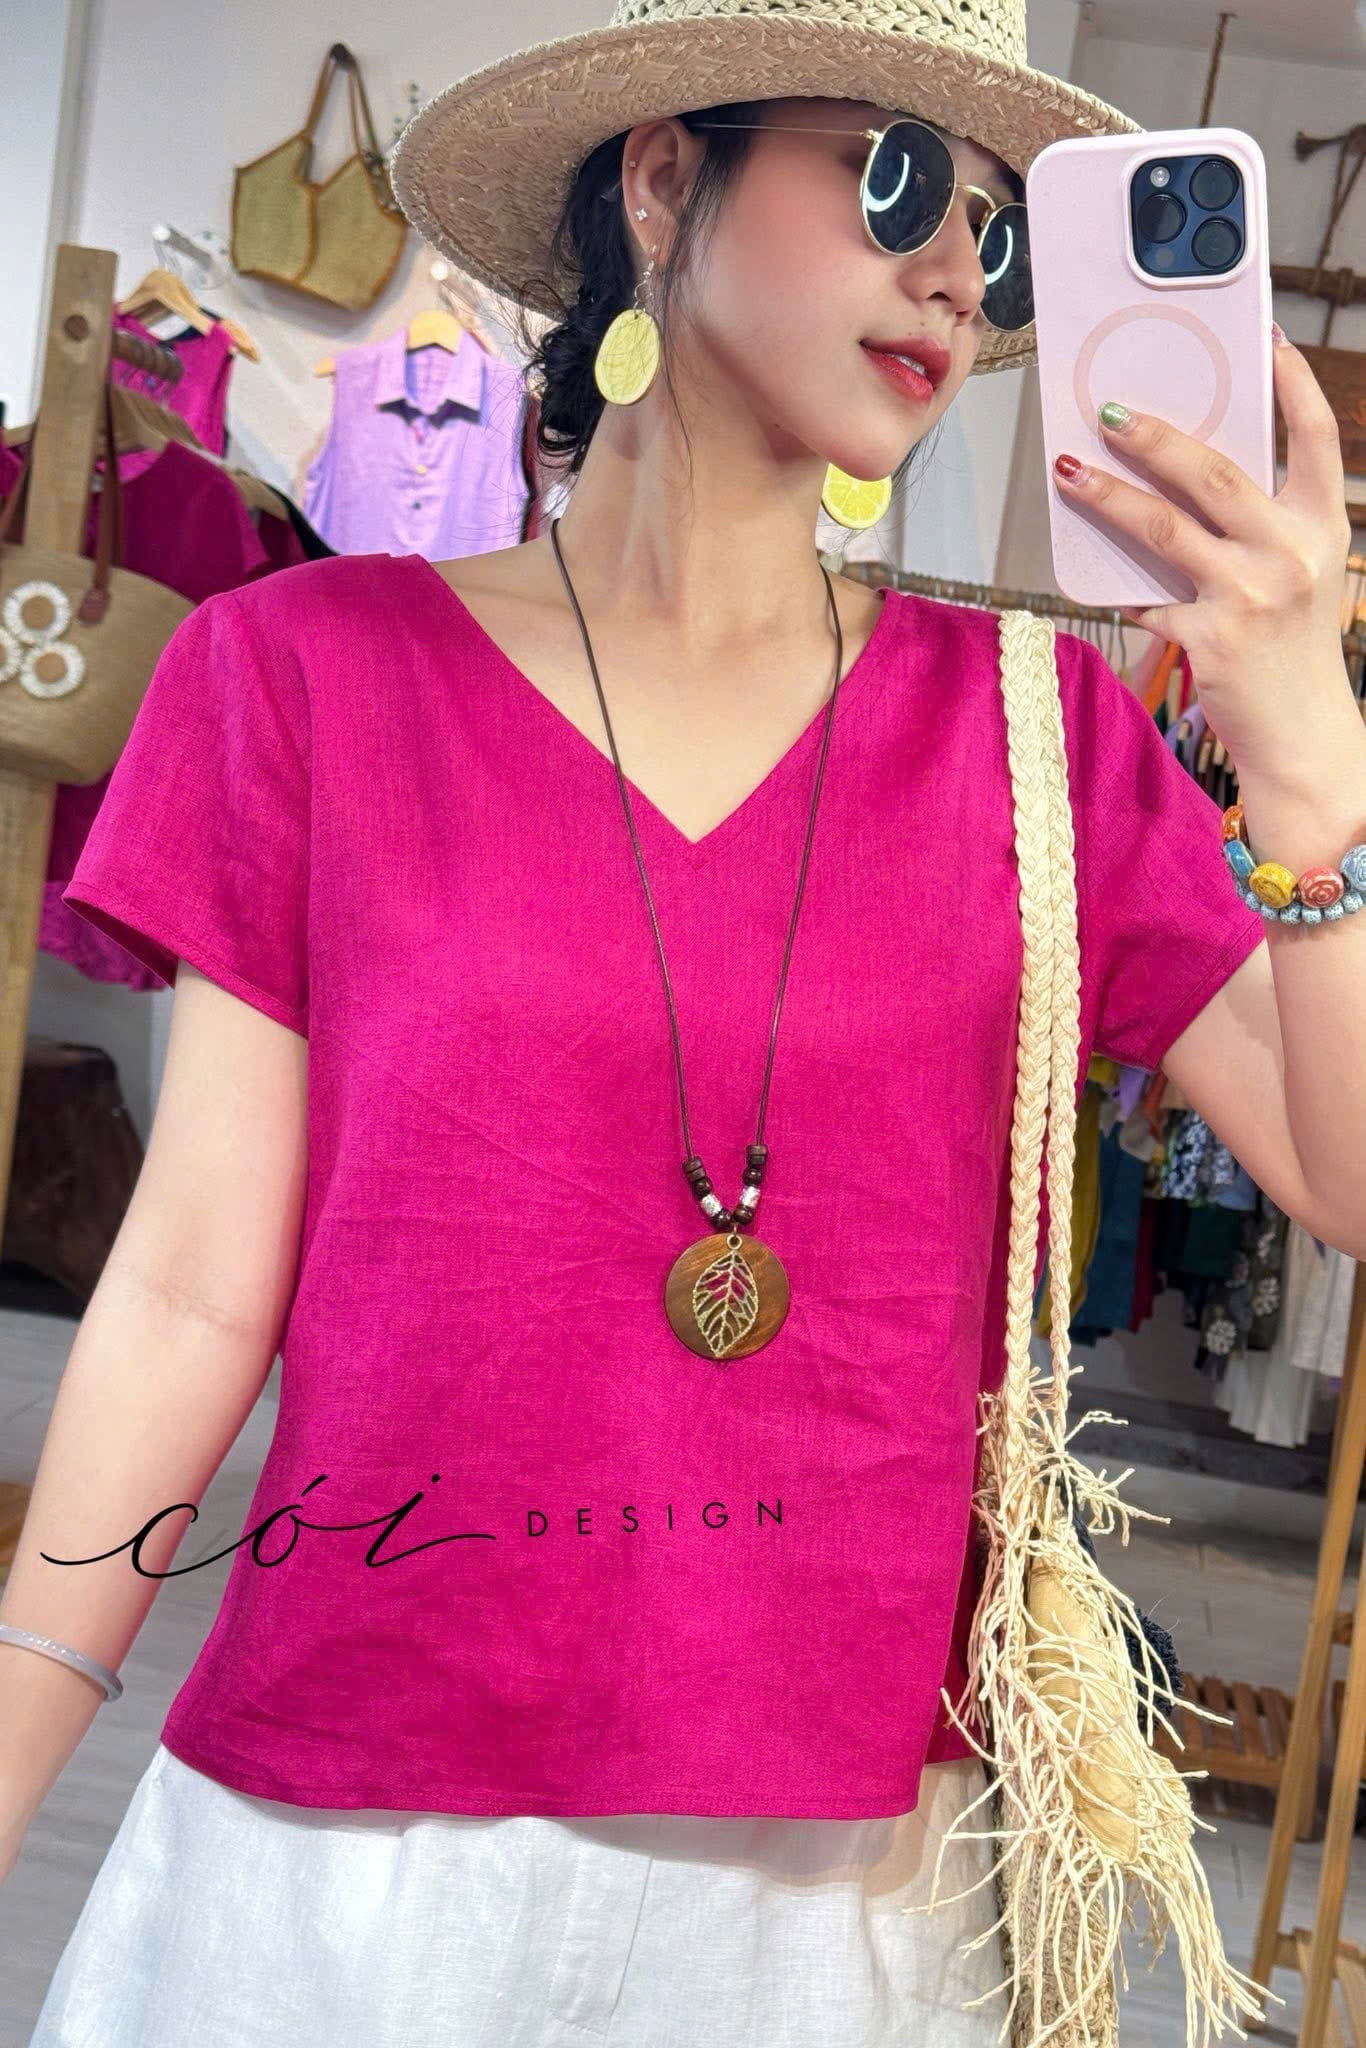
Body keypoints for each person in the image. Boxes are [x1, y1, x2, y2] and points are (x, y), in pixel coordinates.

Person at [13, 0, 1356, 2040]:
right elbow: (194, 1288)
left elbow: (1341, 1177)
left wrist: (1311, 763)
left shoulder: (1042, 740)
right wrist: (21, 1723)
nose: (952, 274)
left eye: (994, 237)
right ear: (662, 176)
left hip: (841, 1897)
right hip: (349, 1854)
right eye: (894, 180)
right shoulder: (297, 677)